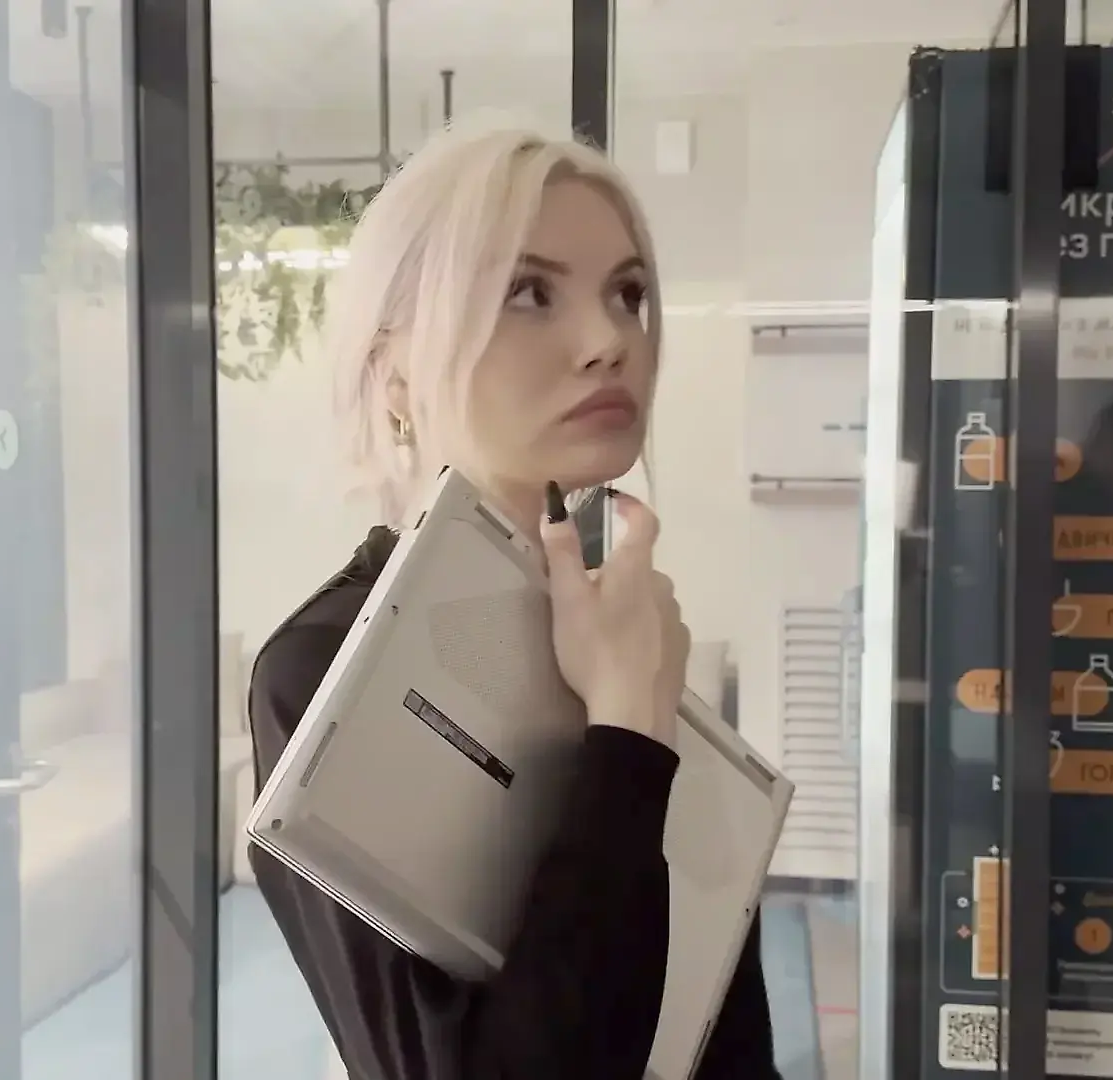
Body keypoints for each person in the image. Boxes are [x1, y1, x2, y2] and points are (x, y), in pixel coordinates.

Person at [246, 123, 781, 1080]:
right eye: (529, 293)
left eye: (627, 294)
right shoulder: (326, 668)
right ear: (395, 370)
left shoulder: (614, 626)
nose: (611, 342)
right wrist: (627, 735)